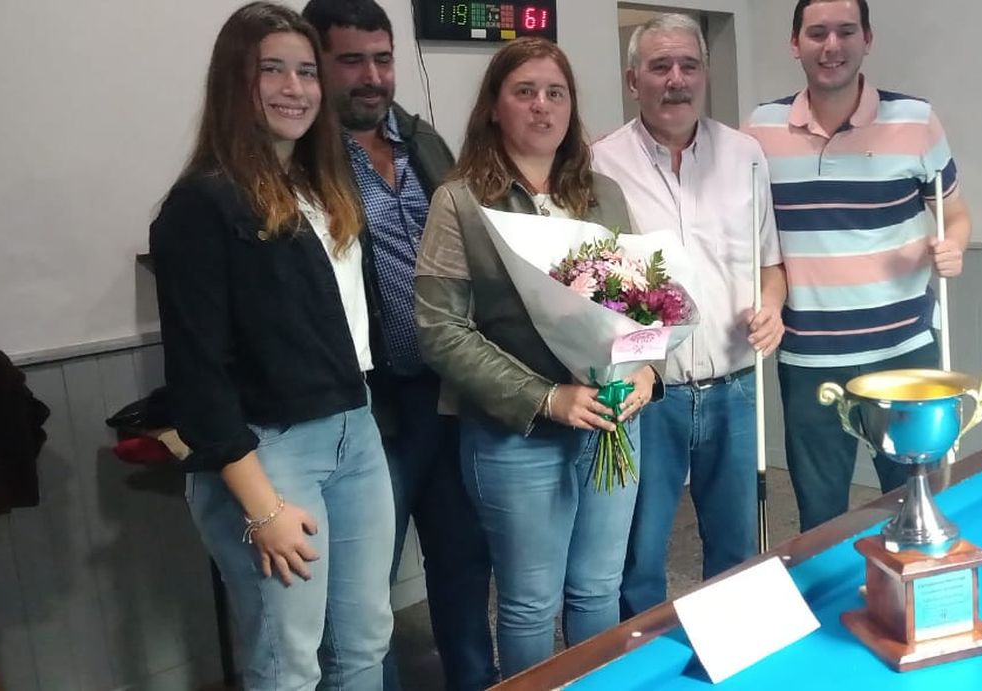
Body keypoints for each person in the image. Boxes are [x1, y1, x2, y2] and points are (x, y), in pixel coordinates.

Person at [148, 3, 394, 688]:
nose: (296, 88)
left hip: (355, 432)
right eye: (274, 71)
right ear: (237, 82)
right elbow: (198, 377)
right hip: (270, 451)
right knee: (288, 661)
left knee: (365, 642)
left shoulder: (325, 187)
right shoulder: (202, 205)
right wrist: (262, 506)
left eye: (308, 72)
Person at [412, 37, 656, 678]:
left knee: (598, 590)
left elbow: (642, 307)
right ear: (495, 106)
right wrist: (545, 398)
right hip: (514, 434)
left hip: (612, 421)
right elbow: (440, 331)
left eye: (556, 93)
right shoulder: (460, 202)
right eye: (524, 92)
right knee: (529, 604)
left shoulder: (603, 194)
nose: (542, 107)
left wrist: (646, 371)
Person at [299, 2, 495, 688]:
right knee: (364, 590)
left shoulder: (422, 141)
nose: (372, 76)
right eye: (351, 60)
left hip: (448, 393)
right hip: (372, 407)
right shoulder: (304, 159)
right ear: (317, 63)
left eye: (382, 59)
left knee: (464, 562)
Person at [744, 0, 974, 531]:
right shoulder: (761, 130)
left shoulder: (915, 120)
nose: (832, 46)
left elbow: (955, 213)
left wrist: (953, 246)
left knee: (914, 506)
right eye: (817, 32)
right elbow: (758, 241)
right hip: (808, 359)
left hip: (904, 352)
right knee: (820, 519)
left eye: (846, 31)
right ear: (794, 43)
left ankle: (905, 609)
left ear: (867, 38)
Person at [591, 13, 786, 618]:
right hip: (647, 396)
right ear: (632, 80)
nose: (676, 80)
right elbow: (593, 292)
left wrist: (774, 308)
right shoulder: (598, 162)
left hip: (734, 388)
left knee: (735, 552)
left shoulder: (746, 154)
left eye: (689, 65)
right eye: (659, 67)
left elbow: (771, 264)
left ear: (704, 73)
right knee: (638, 558)